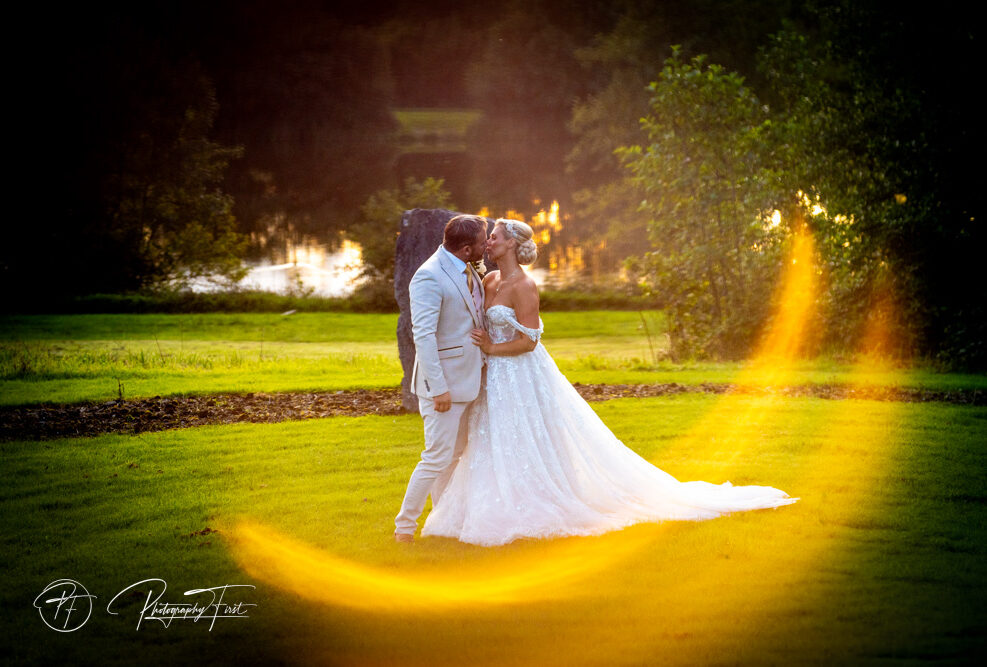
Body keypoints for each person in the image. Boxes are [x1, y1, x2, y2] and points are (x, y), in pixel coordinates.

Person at [420, 219, 797, 546]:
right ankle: (493, 502)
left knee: (524, 437)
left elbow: (530, 341)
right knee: (492, 440)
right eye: (490, 238)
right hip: (491, 379)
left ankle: (539, 499)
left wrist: (491, 348)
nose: (489, 242)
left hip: (516, 372)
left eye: (496, 237)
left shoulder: (525, 287)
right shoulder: (487, 279)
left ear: (512, 246)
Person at [394, 214, 489, 543]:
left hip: (469, 380)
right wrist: (439, 389)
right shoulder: (429, 276)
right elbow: (423, 336)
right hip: (443, 387)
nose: (486, 246)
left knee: (455, 455)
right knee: (435, 457)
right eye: (482, 241)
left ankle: (442, 520)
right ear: (466, 248)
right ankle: (404, 527)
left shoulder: (468, 269)